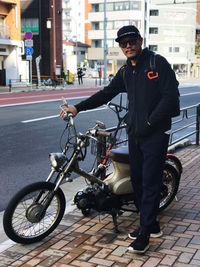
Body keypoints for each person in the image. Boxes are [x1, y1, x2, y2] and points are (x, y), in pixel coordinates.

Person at [60, 25, 180, 254]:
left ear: (140, 40)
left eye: (132, 41)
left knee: (150, 182)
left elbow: (171, 98)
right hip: (135, 134)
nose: (128, 46)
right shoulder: (127, 71)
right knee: (137, 180)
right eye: (123, 43)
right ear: (120, 46)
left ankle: (144, 234)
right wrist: (78, 108)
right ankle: (152, 224)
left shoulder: (157, 63)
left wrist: (148, 123)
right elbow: (106, 93)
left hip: (155, 134)